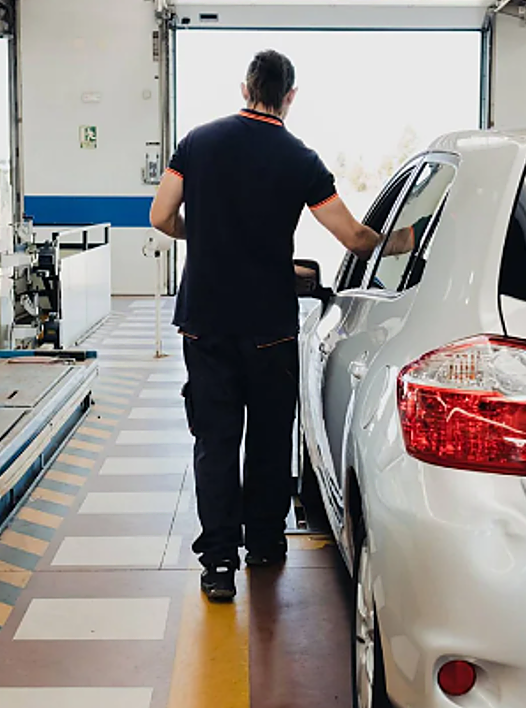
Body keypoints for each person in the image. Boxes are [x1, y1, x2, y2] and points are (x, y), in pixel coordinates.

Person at [149, 49, 399, 603]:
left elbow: (162, 217)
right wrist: (404, 241)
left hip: (205, 322)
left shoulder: (197, 143)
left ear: (245, 88)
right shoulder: (300, 159)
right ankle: (263, 542)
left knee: (214, 441)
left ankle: (217, 565)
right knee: (266, 437)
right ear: (289, 96)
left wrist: (209, 234)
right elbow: (355, 239)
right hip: (270, 327)